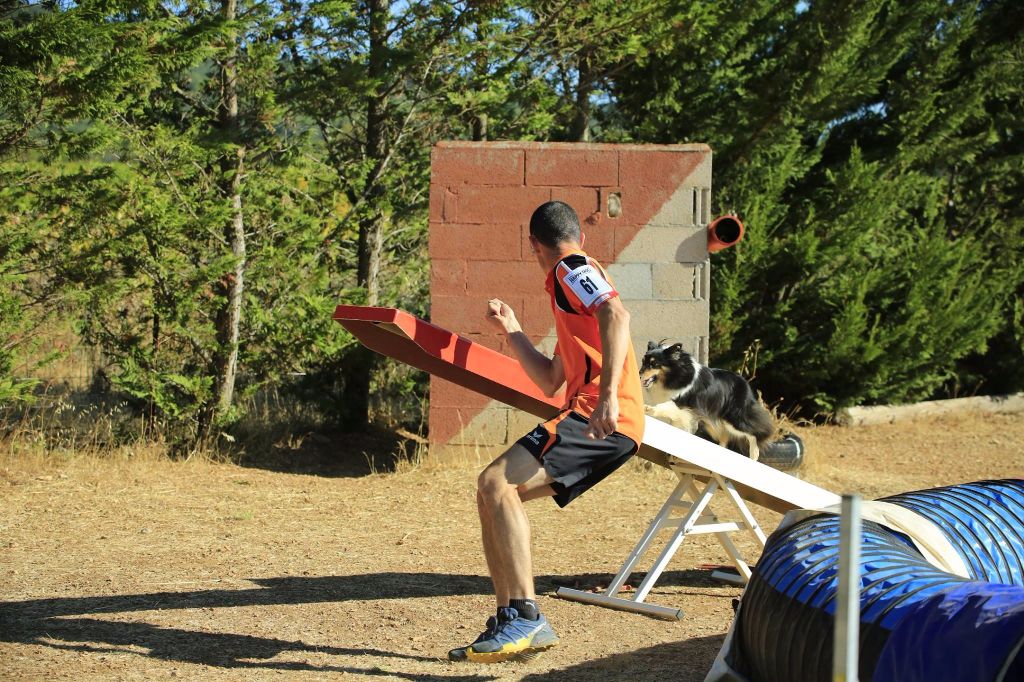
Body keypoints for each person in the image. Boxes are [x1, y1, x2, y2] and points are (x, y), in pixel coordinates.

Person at [449, 200, 646, 663]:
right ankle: (508, 620)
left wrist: (608, 397)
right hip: (600, 417)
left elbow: (617, 316)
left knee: (496, 482)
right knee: (492, 492)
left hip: (600, 415)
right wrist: (512, 329)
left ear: (534, 244)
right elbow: (550, 378)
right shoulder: (570, 299)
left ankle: (526, 615)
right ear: (581, 234)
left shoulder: (570, 268)